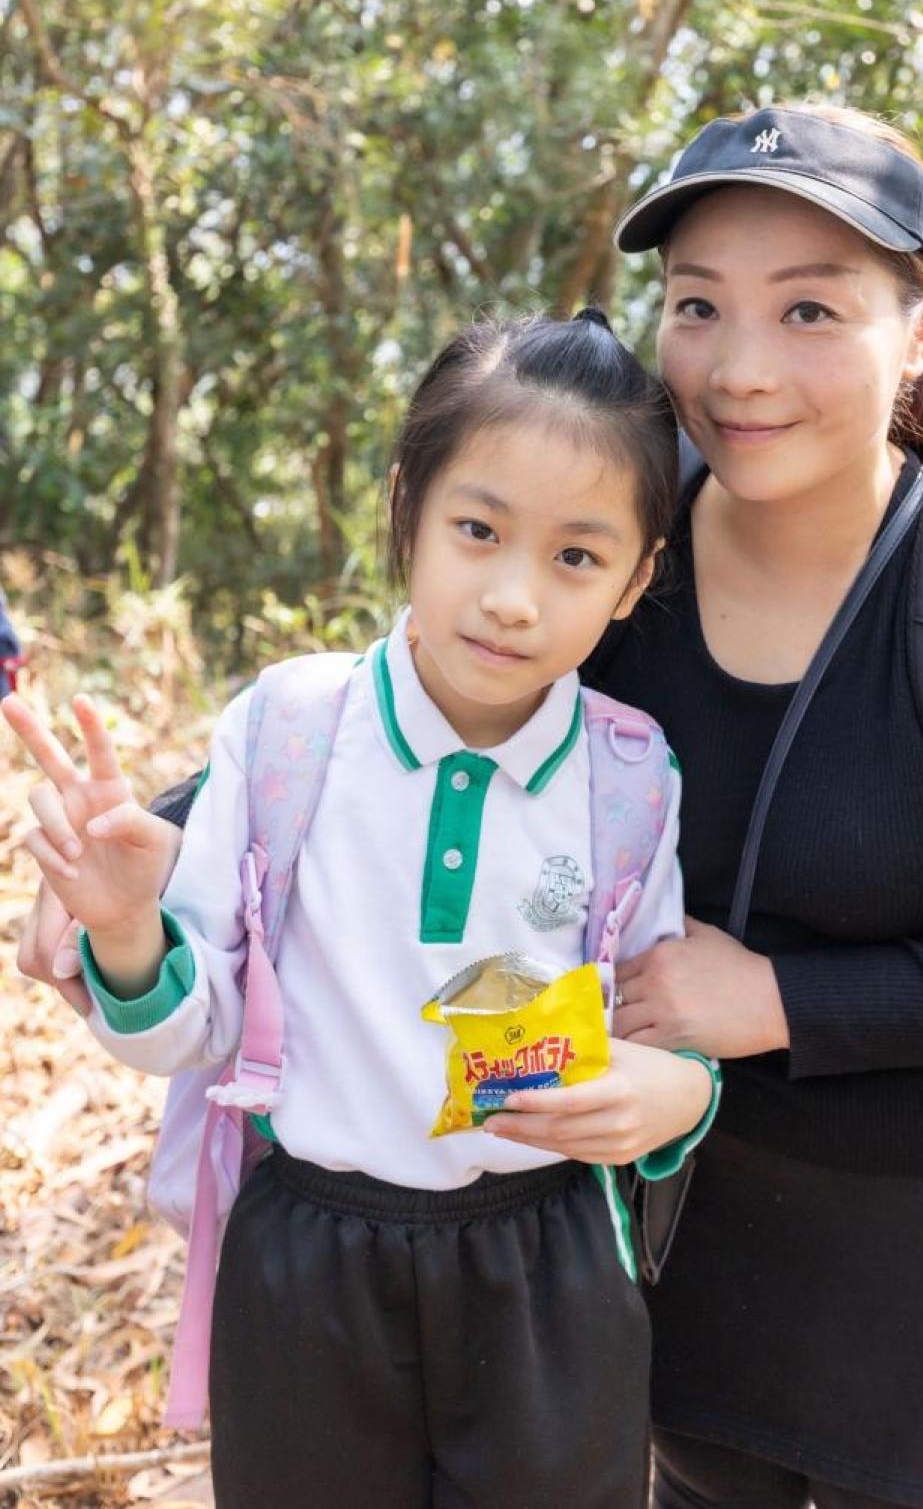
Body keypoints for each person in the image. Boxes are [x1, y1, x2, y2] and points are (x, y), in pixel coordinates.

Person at [15, 103, 923, 1509]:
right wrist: (147, 852)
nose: (740, 367)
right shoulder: (617, 536)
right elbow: (414, 703)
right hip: (655, 1221)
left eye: (809, 308)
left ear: (919, 323)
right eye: (698, 304)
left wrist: (780, 1001)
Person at [3, 308, 719, 1509]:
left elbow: (657, 1023)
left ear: (636, 577)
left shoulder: (629, 774)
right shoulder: (290, 729)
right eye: (477, 529)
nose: (512, 596)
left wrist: (679, 1093)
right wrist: (127, 932)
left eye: (575, 556)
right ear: (406, 507)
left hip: (546, 1266)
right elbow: (192, 1033)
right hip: (308, 1261)